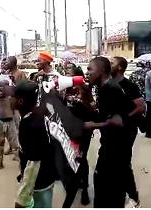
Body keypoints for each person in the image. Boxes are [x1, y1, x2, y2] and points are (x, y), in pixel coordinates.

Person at [84, 57, 132, 208]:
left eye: (90, 69)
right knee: (105, 188)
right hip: (110, 146)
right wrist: (85, 96)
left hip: (115, 149)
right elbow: (103, 114)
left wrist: (93, 125)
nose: (87, 72)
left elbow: (117, 121)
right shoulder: (104, 87)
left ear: (102, 70)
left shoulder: (110, 88)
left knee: (107, 189)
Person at [14, 80, 55, 208]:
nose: (11, 100)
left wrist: (23, 197)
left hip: (39, 183)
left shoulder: (30, 124)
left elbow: (34, 164)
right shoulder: (37, 114)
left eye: (13, 97)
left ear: (20, 101)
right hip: (46, 176)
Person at [111, 56, 146, 207]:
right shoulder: (107, 84)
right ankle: (118, 191)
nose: (108, 64)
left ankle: (133, 197)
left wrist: (124, 118)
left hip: (127, 130)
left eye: (112, 63)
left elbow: (141, 107)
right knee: (114, 161)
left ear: (120, 67)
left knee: (124, 163)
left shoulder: (129, 86)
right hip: (111, 131)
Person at [63, 65, 97, 207]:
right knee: (71, 157)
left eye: (69, 73)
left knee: (81, 158)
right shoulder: (66, 88)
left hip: (83, 131)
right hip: (69, 130)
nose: (66, 75)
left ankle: (84, 189)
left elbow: (92, 109)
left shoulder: (85, 89)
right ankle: (75, 182)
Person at [0, 80, 19, 170]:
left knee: (15, 144)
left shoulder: (12, 96)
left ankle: (21, 163)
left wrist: (8, 89)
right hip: (1, 122)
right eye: (1, 87)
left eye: (3, 87)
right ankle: (0, 162)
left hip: (10, 122)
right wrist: (0, 87)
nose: (2, 89)